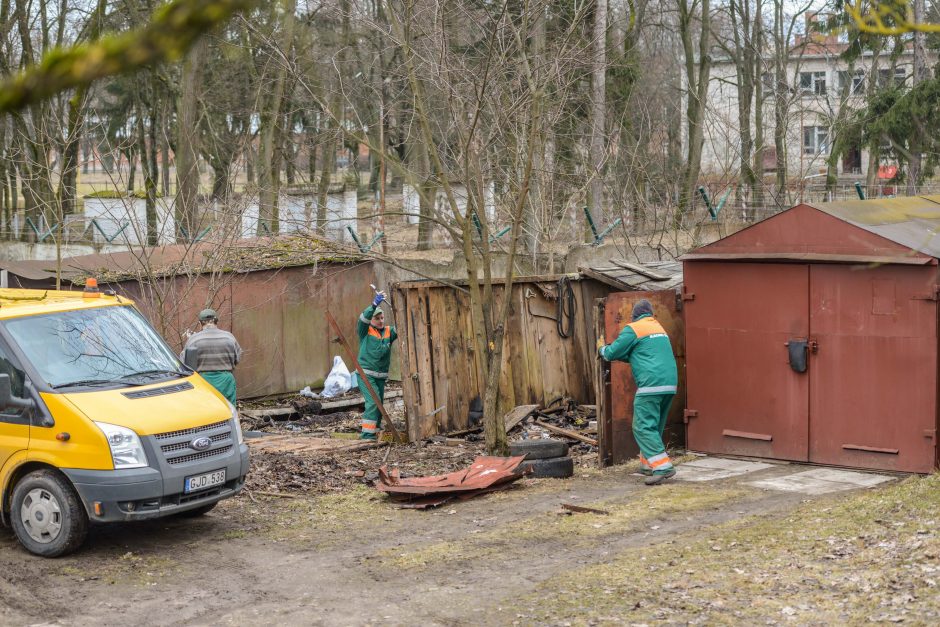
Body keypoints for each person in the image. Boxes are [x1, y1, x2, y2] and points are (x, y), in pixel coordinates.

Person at [597, 299, 678, 485]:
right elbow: (637, 354)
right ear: (650, 314)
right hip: (670, 384)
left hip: (651, 384)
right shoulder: (658, 328)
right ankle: (649, 464)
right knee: (654, 426)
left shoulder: (633, 329)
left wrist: (602, 348)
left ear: (634, 316)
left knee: (642, 426)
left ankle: (663, 467)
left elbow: (612, 353)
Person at [357, 290, 397, 440]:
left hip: (380, 376)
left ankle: (375, 430)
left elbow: (402, 328)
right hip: (366, 374)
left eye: (382, 317)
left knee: (379, 404)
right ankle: (367, 435)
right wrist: (373, 305)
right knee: (373, 403)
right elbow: (363, 319)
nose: (381, 320)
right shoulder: (365, 331)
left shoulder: (388, 332)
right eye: (377, 318)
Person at [181, 308, 242, 405]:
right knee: (228, 411)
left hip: (203, 381)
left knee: (207, 412)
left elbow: (185, 364)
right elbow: (237, 358)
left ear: (200, 323)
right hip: (226, 381)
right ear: (216, 321)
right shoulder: (229, 337)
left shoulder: (193, 340)